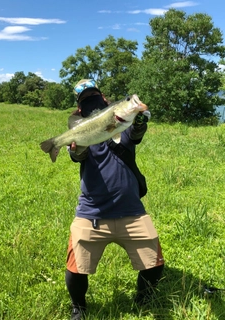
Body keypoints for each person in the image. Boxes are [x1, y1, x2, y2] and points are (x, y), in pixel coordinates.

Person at [65, 79, 164, 320]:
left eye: (95, 97)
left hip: (131, 210)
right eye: (86, 100)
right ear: (79, 108)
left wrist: (140, 118)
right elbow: (77, 154)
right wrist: (76, 147)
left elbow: (136, 132)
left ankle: (143, 299)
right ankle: (79, 306)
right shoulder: (80, 130)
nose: (92, 102)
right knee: (75, 268)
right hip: (92, 212)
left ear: (105, 98)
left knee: (155, 265)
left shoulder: (123, 125)